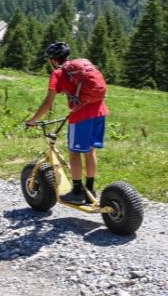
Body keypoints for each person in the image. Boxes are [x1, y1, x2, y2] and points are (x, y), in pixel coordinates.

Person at [25, 41, 108, 204]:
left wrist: (33, 120)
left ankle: (77, 192)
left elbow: (48, 103)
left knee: (74, 152)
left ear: (53, 60)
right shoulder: (82, 66)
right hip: (100, 112)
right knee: (90, 151)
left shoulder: (58, 73)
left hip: (81, 116)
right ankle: (90, 190)